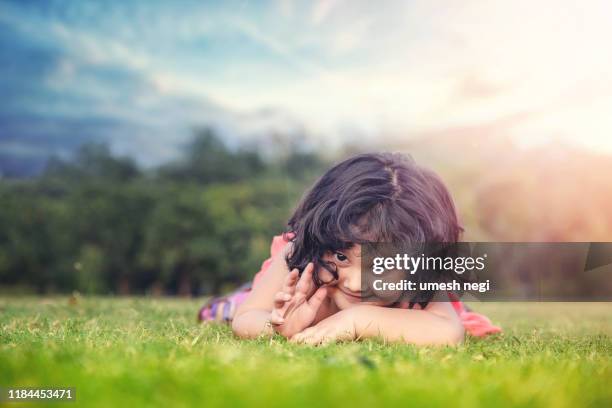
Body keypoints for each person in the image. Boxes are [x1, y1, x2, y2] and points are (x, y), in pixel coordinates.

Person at [199, 153, 501, 345]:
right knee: (240, 305)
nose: (356, 283)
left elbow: (448, 332)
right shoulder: (298, 253)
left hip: (414, 300)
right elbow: (248, 318)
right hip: (286, 289)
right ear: (319, 241)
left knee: (454, 314)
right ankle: (231, 299)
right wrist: (276, 326)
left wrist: (357, 320)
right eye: (341, 256)